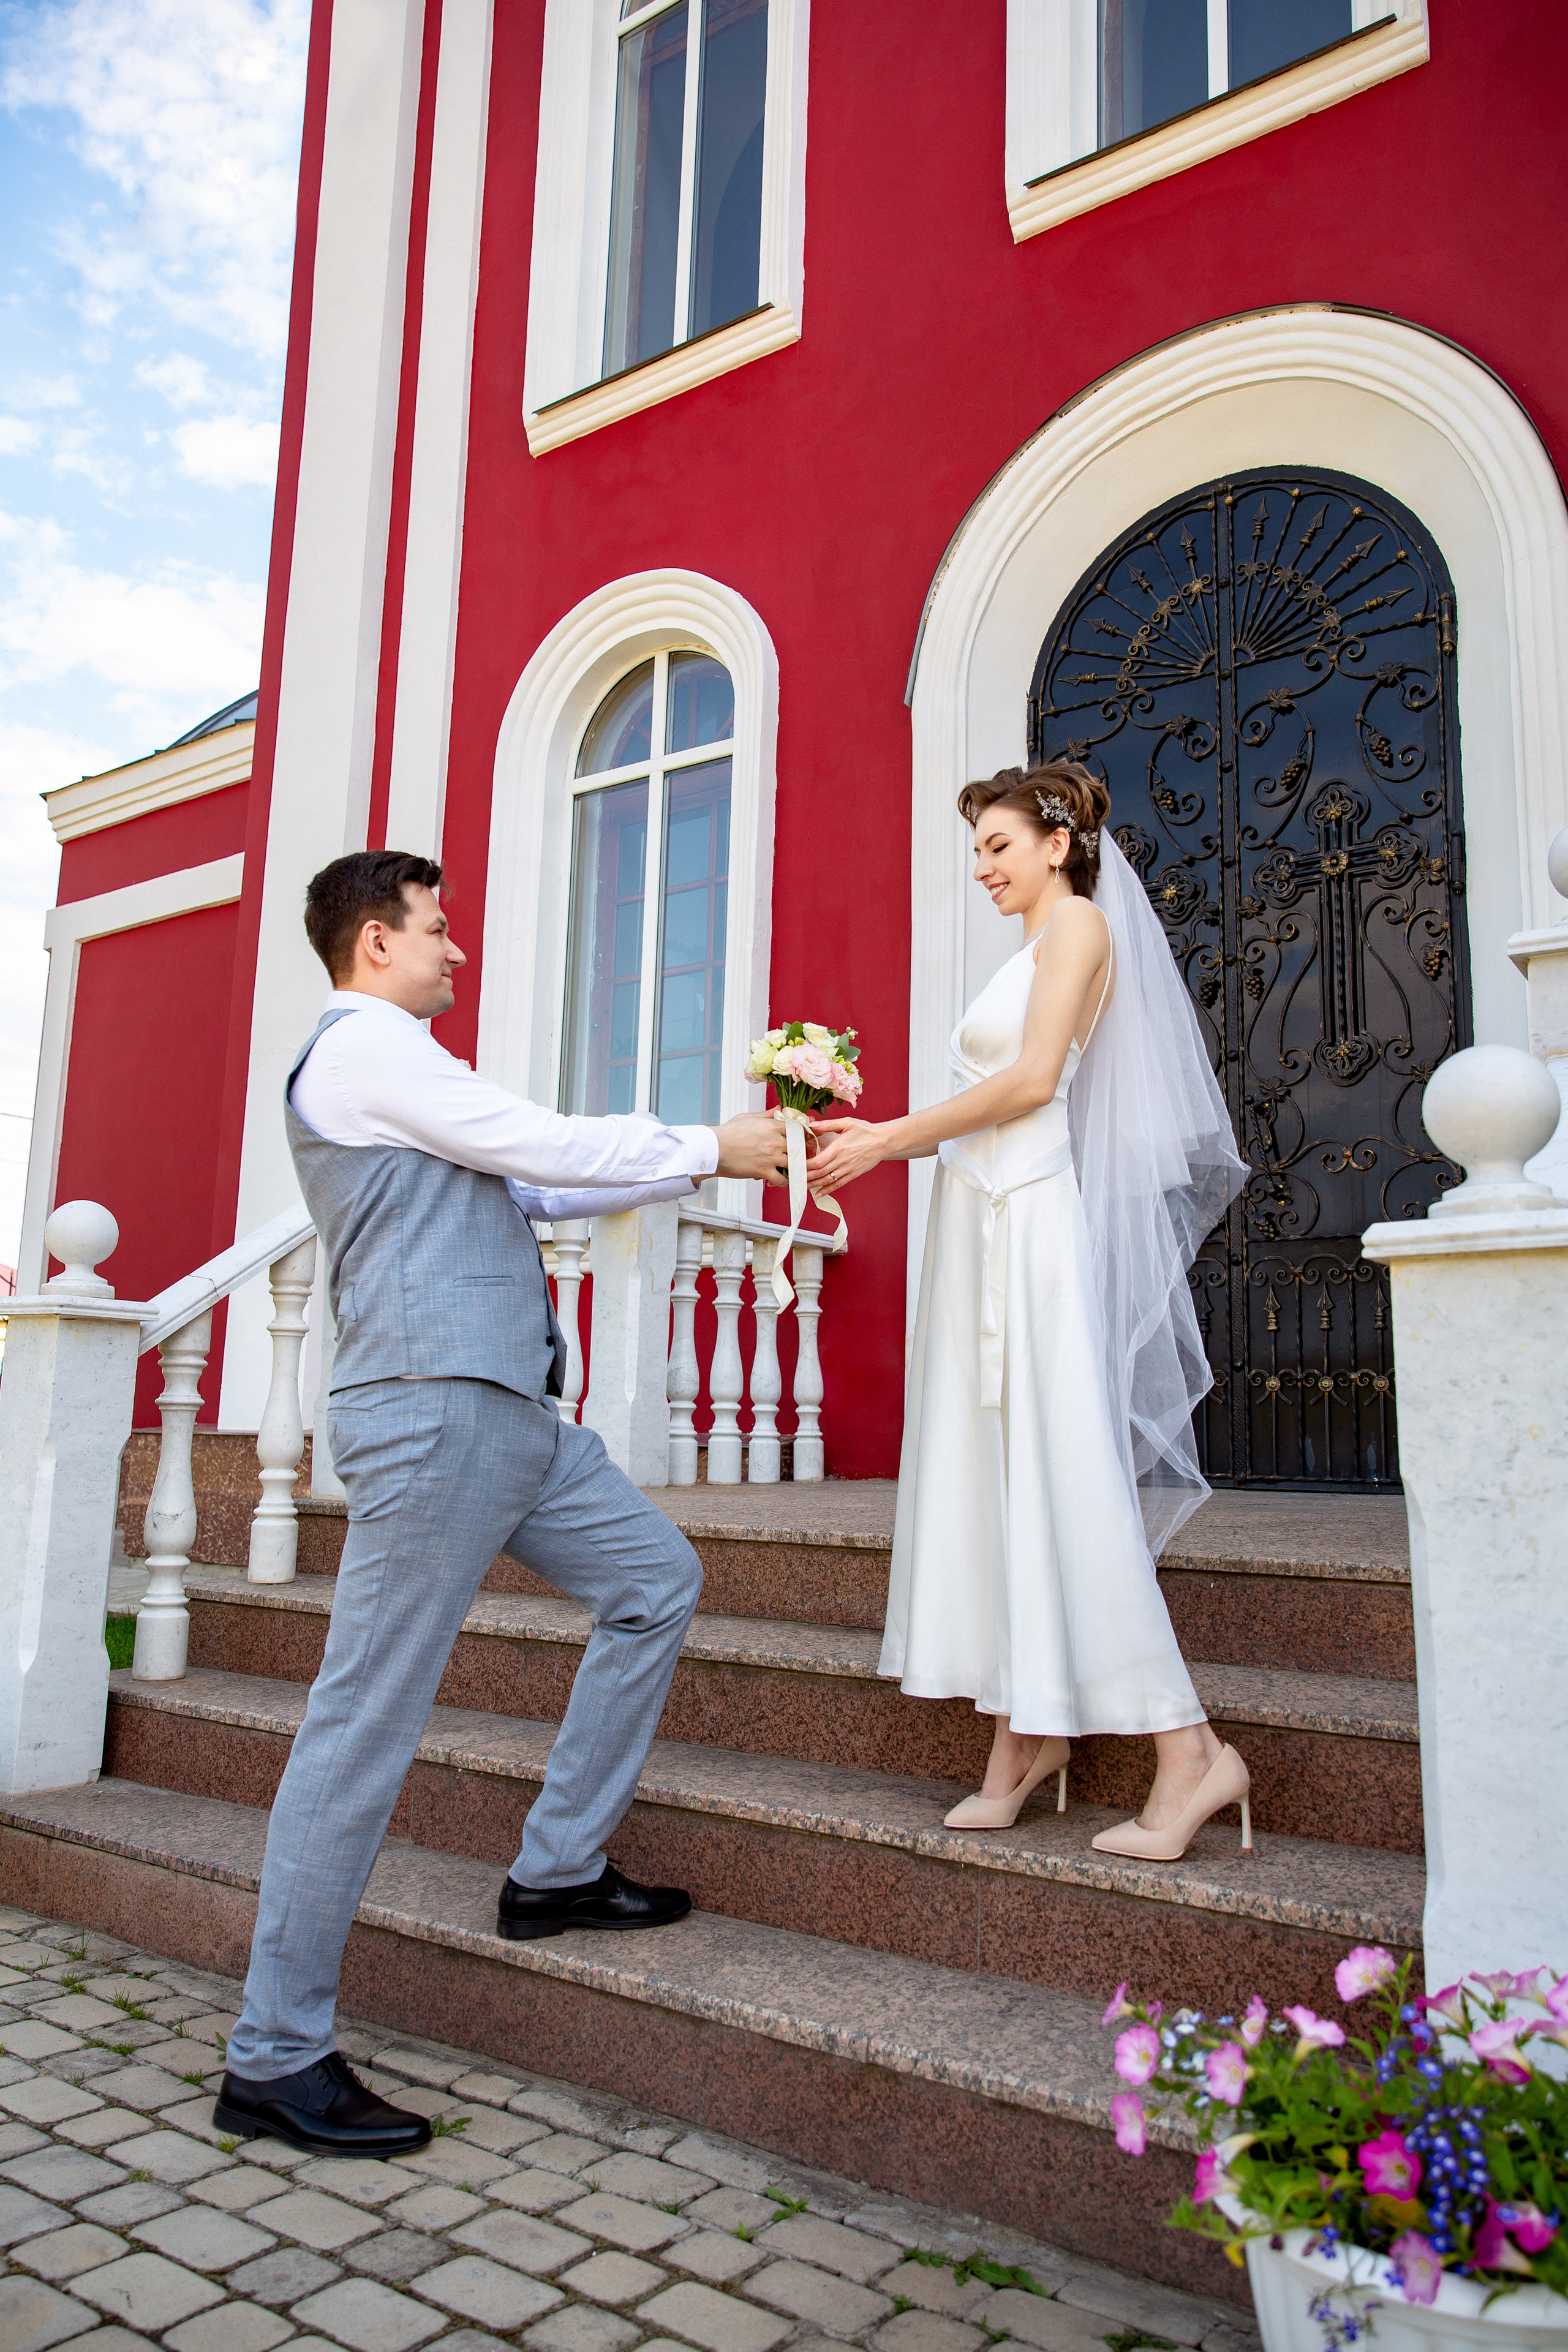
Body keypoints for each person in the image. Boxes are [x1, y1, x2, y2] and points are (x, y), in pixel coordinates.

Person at [216, 850, 791, 2157]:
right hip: (431, 1413)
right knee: (361, 1725)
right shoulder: (363, 1051)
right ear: (375, 942)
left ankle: (557, 1869)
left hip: (514, 1419)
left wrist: (709, 1167)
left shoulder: (412, 1070)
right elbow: (538, 1141)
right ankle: (274, 2055)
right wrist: (712, 1140)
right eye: (436, 928)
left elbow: (541, 1185)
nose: (455, 949)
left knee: (655, 1582)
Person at [808, 763, 1251, 1861]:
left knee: (1064, 1474)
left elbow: (1032, 1081)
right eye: (977, 850)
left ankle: (1190, 1749)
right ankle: (1023, 1733)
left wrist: (888, 1139)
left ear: (1058, 844)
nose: (982, 867)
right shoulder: (1030, 947)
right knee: (996, 1477)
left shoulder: (1081, 929)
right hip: (979, 1221)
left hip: (1030, 1226)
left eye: (998, 846)